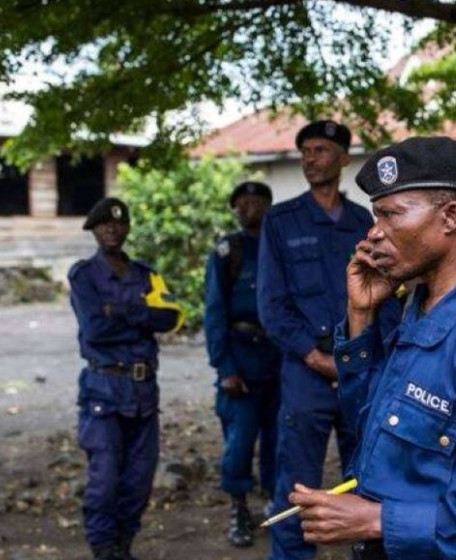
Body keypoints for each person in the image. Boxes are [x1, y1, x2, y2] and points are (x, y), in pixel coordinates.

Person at [289, 137, 456, 559]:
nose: (374, 232)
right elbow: (373, 424)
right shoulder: (417, 306)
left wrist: (376, 520)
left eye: (391, 215)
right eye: (375, 215)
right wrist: (361, 316)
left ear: (451, 216)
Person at [257, 120, 376, 560]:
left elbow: (381, 299)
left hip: (358, 374)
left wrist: (361, 361)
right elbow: (272, 306)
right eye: (305, 151)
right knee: (297, 486)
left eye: (321, 150)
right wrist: (314, 356)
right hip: (306, 373)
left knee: (367, 480)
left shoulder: (363, 222)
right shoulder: (280, 221)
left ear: (343, 158)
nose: (310, 159)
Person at [68, 197, 185, 560]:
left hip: (143, 392)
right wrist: (143, 316)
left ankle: (123, 546)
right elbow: (96, 330)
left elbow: (171, 317)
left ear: (128, 228)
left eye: (119, 224)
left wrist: (121, 310)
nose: (112, 229)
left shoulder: (147, 275)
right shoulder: (84, 275)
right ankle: (104, 550)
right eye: (104, 224)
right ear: (93, 230)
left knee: (139, 479)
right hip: (103, 390)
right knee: (104, 480)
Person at [203, 181, 282, 548]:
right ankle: (239, 509)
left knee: (279, 439)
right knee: (239, 441)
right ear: (235, 210)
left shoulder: (280, 247)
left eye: (258, 202)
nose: (251, 208)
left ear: (268, 206)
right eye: (243, 203)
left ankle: (274, 506)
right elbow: (214, 310)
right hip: (241, 360)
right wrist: (225, 368)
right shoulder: (227, 250)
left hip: (278, 357)